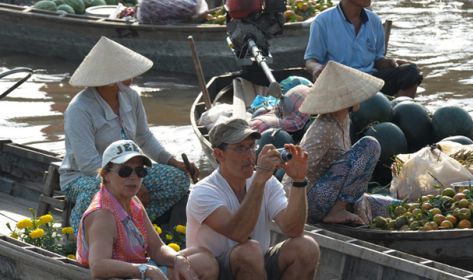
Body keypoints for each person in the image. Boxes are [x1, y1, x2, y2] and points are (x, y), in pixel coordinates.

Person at [59, 36, 199, 235]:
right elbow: (88, 163)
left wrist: (172, 161)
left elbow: (144, 137)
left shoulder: (130, 97)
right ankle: (86, 236)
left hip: (130, 171)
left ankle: (135, 225)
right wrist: (127, 183)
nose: (132, 76)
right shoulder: (79, 109)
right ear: (107, 78)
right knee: (97, 193)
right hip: (84, 176)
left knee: (177, 179)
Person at [186, 118, 320, 280]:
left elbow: (293, 230)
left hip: (256, 265)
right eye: (240, 148)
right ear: (218, 154)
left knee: (306, 246)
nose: (249, 156)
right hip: (215, 271)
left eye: (251, 147)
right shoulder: (203, 192)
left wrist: (299, 180)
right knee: (249, 251)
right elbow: (239, 234)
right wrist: (259, 181)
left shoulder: (266, 181)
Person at [77, 139, 218, 280]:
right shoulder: (103, 214)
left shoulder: (133, 201)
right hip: (125, 275)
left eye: (140, 171)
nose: (133, 177)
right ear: (105, 175)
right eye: (125, 171)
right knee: (204, 264)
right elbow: (98, 266)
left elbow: (157, 248)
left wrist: (177, 259)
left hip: (138, 268)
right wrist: (146, 269)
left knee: (201, 253)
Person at [284, 61, 394, 224]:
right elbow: (299, 171)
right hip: (309, 201)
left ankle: (341, 207)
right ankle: (337, 211)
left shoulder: (344, 119)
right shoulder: (324, 127)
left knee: (392, 208)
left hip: (333, 194)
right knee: (370, 145)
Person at [304, 0, 423, 98]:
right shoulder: (322, 21)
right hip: (341, 85)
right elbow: (310, 61)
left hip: (370, 81)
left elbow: (378, 60)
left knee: (411, 72)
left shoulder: (374, 21)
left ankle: (400, 112)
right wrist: (317, 68)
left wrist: (390, 63)